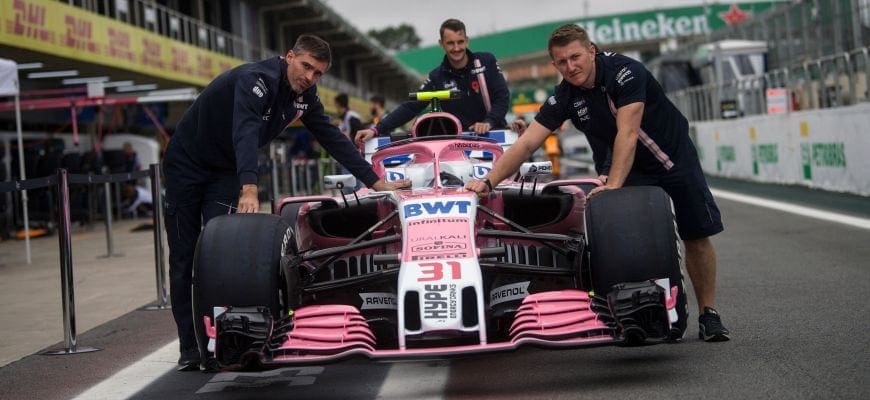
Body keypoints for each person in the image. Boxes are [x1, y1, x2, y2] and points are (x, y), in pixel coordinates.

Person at [465, 24, 730, 343]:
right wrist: (488, 181)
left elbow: (628, 133)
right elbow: (525, 144)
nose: (570, 67)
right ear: (554, 65)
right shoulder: (564, 94)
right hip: (631, 167)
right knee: (635, 243)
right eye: (561, 62)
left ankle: (709, 314)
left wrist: (613, 182)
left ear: (592, 50)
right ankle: (652, 313)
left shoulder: (626, 72)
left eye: (575, 57)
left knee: (696, 234)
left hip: (673, 158)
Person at [163, 34, 410, 372]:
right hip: (186, 166)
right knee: (184, 257)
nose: (309, 77)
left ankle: (219, 344)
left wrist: (376, 182)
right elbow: (245, 133)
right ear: (289, 56)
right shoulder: (257, 81)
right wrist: (250, 188)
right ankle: (190, 348)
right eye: (306, 66)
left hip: (224, 172)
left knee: (215, 256)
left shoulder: (305, 97)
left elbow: (332, 138)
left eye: (318, 73)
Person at [355, 18, 509, 143]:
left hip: (495, 137)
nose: (456, 48)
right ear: (441, 44)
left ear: (467, 41)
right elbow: (411, 107)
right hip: (460, 144)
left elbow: (502, 97)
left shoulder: (486, 61)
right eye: (450, 43)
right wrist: (375, 129)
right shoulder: (437, 76)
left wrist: (488, 122)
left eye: (460, 42)